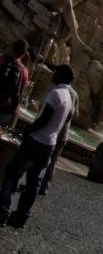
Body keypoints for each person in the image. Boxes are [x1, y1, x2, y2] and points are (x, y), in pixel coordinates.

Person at [0, 63, 76, 228]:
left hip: (36, 141)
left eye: (56, 73)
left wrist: (28, 131)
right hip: (49, 144)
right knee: (33, 184)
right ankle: (22, 217)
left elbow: (44, 118)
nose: (52, 75)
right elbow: (69, 116)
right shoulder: (68, 96)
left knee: (12, 173)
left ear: (61, 76)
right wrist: (55, 129)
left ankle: (3, 211)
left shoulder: (55, 93)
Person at [0, 39, 31, 128]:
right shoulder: (24, 71)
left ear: (12, 48)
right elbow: (21, 91)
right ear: (24, 54)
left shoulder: (1, 58)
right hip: (6, 108)